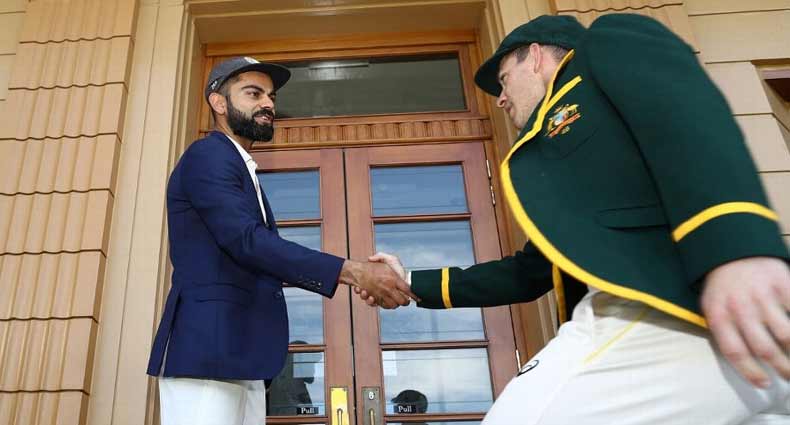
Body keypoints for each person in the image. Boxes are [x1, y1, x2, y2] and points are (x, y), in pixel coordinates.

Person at [360, 14, 790, 424]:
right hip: (739, 341)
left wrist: (739, 253)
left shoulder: (605, 44)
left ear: (535, 56)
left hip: (672, 307)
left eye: (504, 80)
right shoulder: (565, 164)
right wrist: (408, 281)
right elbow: (529, 273)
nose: (501, 98)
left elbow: (685, 117)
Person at [146, 56, 416, 425]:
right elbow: (247, 241)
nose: (268, 104)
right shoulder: (207, 155)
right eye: (253, 93)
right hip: (207, 355)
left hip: (242, 359)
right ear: (218, 103)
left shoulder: (240, 168)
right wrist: (353, 271)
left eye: (271, 96)